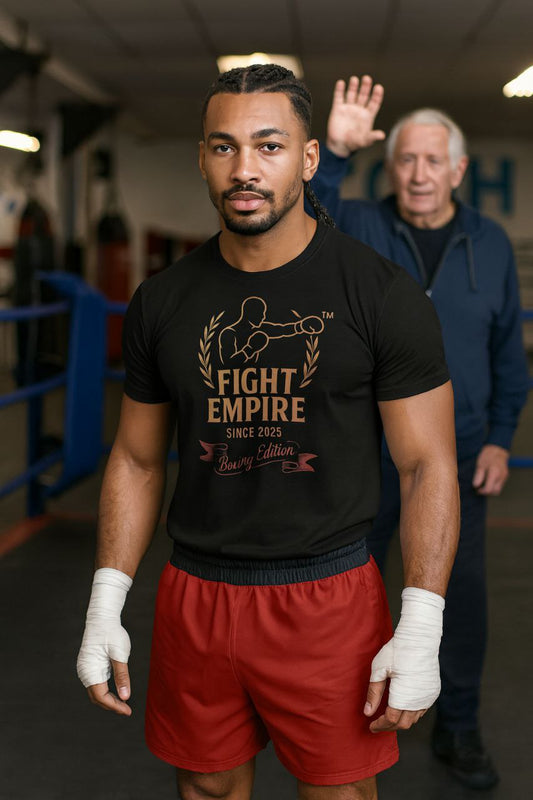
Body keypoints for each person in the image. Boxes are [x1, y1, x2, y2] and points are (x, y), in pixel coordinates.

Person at [77, 65, 460, 800]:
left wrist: (421, 621)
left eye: (268, 146)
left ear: (308, 159)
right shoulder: (163, 301)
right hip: (197, 590)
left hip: (327, 595)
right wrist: (104, 603)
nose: (244, 169)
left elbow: (425, 466)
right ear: (201, 157)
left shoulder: (381, 295)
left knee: (337, 793)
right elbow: (134, 458)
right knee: (208, 788)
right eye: (223, 147)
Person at [310, 75, 530, 791]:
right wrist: (336, 154)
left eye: (434, 160)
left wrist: (499, 436)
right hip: (364, 449)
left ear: (457, 170)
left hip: (460, 453)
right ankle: (351, 719)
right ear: (391, 165)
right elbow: (300, 223)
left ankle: (458, 727)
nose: (419, 173)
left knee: (456, 597)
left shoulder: (489, 244)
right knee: (353, 590)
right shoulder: (362, 228)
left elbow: (505, 352)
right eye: (406, 159)